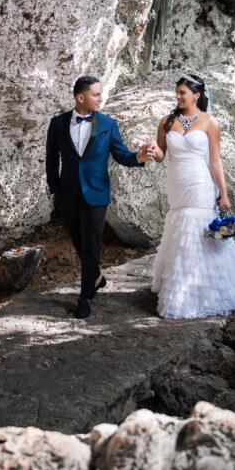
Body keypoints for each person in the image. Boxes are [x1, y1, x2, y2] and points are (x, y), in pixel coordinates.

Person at [142, 74, 235, 318]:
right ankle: (178, 283)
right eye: (177, 92)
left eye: (183, 92)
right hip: (177, 183)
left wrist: (223, 194)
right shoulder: (167, 121)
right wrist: (153, 150)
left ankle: (197, 290)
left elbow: (215, 161)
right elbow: (161, 156)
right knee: (180, 230)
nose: (178, 96)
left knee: (199, 230)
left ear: (197, 95)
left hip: (201, 184)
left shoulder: (209, 122)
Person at [46, 76, 153, 318]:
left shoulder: (108, 123)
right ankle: (96, 277)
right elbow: (51, 160)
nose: (101, 99)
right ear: (80, 97)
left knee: (92, 246)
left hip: (97, 194)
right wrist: (55, 190)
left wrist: (139, 157)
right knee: (79, 245)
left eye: (101, 94)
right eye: (96, 94)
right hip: (68, 194)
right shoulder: (57, 124)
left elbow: (121, 154)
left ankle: (85, 297)